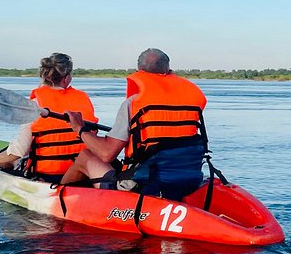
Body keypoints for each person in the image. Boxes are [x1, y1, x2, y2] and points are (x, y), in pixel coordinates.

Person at [64, 48, 209, 201]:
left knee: (86, 156)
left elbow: (107, 153)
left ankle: (55, 197)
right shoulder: (190, 103)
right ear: (169, 71)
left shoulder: (133, 104)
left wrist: (79, 128)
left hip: (145, 185)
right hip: (186, 180)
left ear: (139, 72)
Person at [0, 52, 100, 184]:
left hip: (48, 177)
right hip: (84, 173)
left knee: (14, 160)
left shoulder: (35, 105)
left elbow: (19, 150)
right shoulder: (83, 99)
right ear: (67, 78)